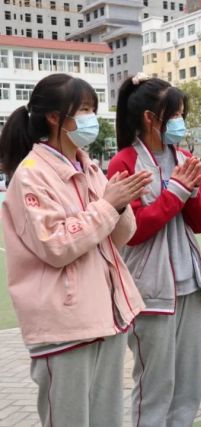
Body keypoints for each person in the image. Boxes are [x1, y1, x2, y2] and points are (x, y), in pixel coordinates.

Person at [0, 73, 150, 426]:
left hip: (105, 314)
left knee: (106, 419)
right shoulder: (31, 174)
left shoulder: (88, 166)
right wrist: (107, 205)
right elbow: (57, 245)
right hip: (64, 324)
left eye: (92, 109)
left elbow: (121, 236)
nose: (91, 119)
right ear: (55, 117)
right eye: (84, 109)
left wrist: (122, 202)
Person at [108, 73, 201, 427]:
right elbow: (133, 232)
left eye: (183, 113)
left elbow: (200, 222)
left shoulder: (183, 156)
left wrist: (192, 190)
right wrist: (176, 193)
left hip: (190, 287)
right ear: (151, 118)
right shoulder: (123, 163)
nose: (181, 122)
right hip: (150, 291)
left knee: (188, 385)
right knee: (155, 386)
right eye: (176, 114)